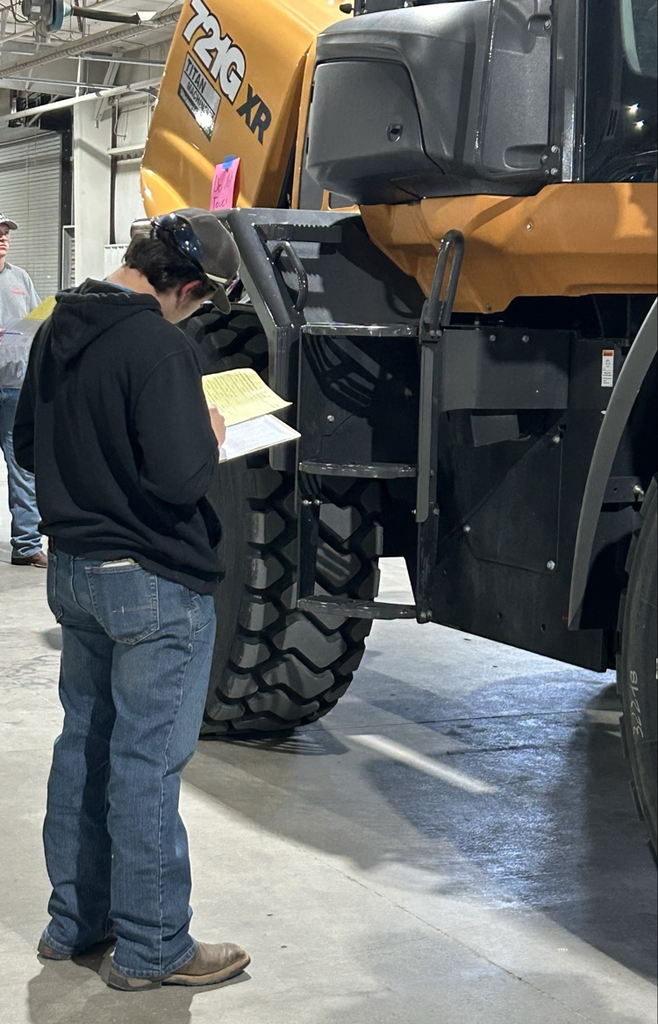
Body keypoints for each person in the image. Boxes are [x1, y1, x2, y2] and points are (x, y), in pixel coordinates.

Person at [13, 208, 251, 991]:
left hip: (73, 572)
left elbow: (21, 446)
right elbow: (181, 479)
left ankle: (74, 923)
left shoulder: (55, 325)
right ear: (184, 287)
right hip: (149, 583)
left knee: (84, 742)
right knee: (147, 760)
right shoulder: (159, 344)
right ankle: (154, 948)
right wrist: (210, 430)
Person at [0, 213, 46, 567]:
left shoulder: (20, 279)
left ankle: (27, 544)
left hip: (15, 386)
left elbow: (37, 320)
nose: (3, 239)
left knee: (21, 466)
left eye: (6, 233)